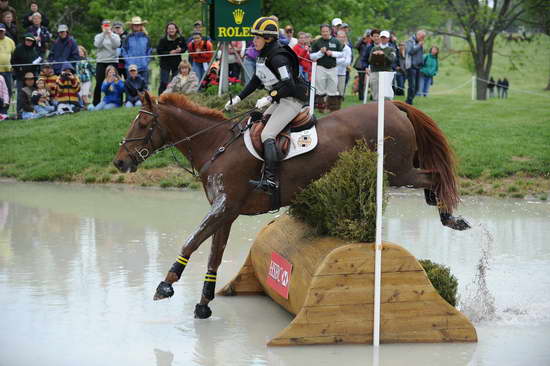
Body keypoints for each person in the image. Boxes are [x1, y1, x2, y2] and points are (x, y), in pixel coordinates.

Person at [224, 16, 309, 193]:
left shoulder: (278, 57)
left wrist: (269, 98)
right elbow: (256, 79)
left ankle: (271, 180)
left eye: (257, 37)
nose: (253, 40)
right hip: (281, 98)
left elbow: (288, 84)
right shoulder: (264, 54)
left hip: (292, 99)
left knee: (267, 134)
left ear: (268, 39)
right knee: (256, 122)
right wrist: (239, 98)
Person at [310, 23, 343, 112]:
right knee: (320, 88)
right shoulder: (317, 42)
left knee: (332, 88)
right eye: (323, 31)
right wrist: (320, 53)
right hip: (320, 67)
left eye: (326, 31)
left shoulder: (336, 41)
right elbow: (312, 56)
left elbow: (341, 54)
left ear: (330, 31)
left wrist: (332, 53)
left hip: (333, 68)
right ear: (321, 32)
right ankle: (321, 108)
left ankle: (332, 108)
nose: (325, 33)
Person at [11, 34, 40, 118]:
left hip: (31, 76)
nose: (29, 42)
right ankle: (18, 113)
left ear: (33, 42)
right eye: (27, 40)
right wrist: (19, 69)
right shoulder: (19, 48)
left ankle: (32, 110)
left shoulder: (34, 50)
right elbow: (13, 61)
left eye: (30, 40)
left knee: (32, 94)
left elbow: (36, 62)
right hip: (21, 76)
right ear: (24, 40)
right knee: (20, 95)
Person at [93, 20, 120, 106]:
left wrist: (110, 34)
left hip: (113, 61)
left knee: (115, 81)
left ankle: (118, 101)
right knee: (99, 82)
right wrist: (104, 34)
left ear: (111, 26)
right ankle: (96, 103)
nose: (106, 27)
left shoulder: (115, 36)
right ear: (102, 26)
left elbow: (116, 45)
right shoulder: (98, 36)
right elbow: (97, 45)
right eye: (105, 25)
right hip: (101, 61)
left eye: (108, 25)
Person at [157, 22, 186, 95]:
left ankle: (173, 99)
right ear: (167, 30)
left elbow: (185, 48)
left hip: (176, 64)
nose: (171, 30)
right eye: (169, 29)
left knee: (176, 82)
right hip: (165, 64)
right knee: (164, 82)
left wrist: (181, 50)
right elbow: (159, 52)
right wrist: (169, 53)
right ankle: (160, 99)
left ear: (176, 29)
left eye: (173, 28)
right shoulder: (163, 40)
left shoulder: (181, 38)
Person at [121, 16, 152, 86]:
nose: (137, 26)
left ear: (141, 26)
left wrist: (146, 61)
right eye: (135, 25)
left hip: (143, 67)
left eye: (138, 25)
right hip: (131, 67)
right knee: (131, 88)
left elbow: (149, 51)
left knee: (144, 88)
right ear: (132, 26)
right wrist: (129, 62)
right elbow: (124, 51)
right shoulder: (127, 38)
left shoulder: (146, 37)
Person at [368, 30, 396, 101]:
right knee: (375, 92)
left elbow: (391, 60)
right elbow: (370, 60)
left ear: (388, 39)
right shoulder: (374, 48)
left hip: (386, 72)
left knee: (386, 93)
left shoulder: (391, 49)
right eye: (382, 38)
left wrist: (383, 55)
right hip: (375, 71)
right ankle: (376, 108)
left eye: (385, 38)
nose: (383, 39)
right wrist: (375, 55)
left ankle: (387, 108)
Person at [405, 30, 425, 105]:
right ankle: (409, 101)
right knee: (412, 86)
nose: (423, 39)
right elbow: (410, 51)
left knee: (417, 87)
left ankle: (409, 100)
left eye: (424, 37)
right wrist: (419, 45)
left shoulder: (419, 42)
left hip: (418, 67)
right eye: (422, 37)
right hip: (411, 66)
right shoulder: (409, 41)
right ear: (417, 35)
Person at [335, 30, 351, 105]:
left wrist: (338, 60)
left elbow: (348, 62)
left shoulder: (348, 49)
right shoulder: (333, 46)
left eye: (343, 37)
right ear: (336, 37)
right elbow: (332, 61)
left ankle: (338, 108)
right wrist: (343, 59)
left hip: (342, 73)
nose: (341, 39)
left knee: (340, 93)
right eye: (340, 37)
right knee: (331, 92)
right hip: (332, 72)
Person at [0, 23, 15, 101]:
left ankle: (5, 110)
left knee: (9, 90)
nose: (0, 33)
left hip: (7, 71)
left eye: (2, 31)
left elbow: (14, 55)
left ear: (5, 31)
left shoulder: (10, 41)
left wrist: (13, 66)